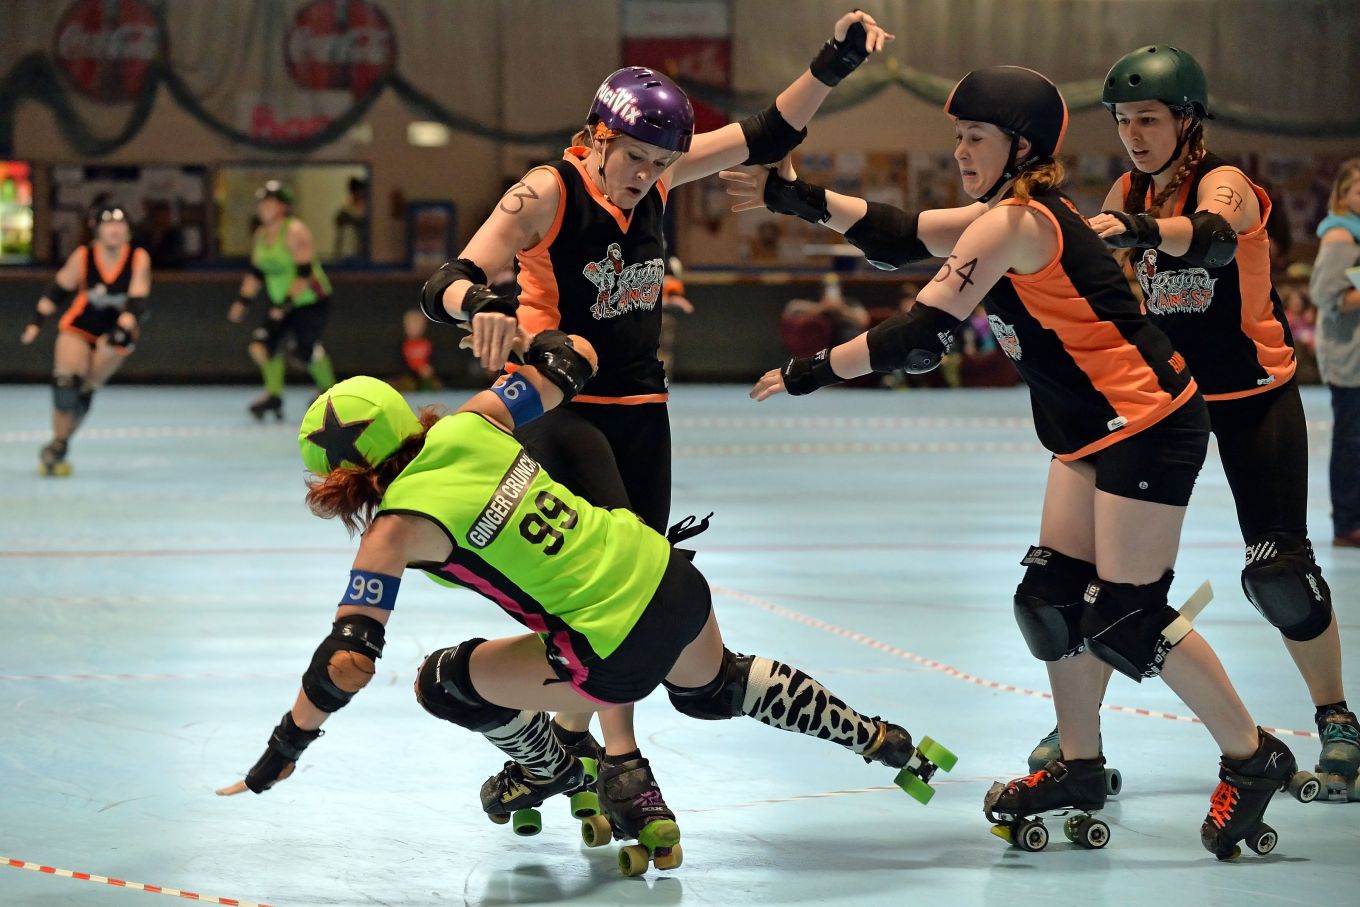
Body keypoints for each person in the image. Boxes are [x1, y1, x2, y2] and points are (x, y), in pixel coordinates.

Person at [727, 65, 1317, 855]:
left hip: (1147, 422)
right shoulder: (999, 217)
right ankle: (1080, 765)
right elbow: (900, 234)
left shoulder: (1018, 223)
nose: (960, 151)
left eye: (976, 137)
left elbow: (921, 337)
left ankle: (1252, 756)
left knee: (1129, 615)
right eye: (958, 136)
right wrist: (795, 197)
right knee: (1050, 599)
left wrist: (810, 369)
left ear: (1022, 147)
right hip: (1085, 429)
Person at [215, 339, 951, 874]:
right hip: (672, 579)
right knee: (716, 685)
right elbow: (574, 361)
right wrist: (507, 325)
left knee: (440, 682)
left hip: (609, 651)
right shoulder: (474, 419)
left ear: (333, 482)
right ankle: (880, 739)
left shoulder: (392, 531)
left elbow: (346, 664)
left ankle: (552, 767)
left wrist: (282, 751)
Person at [417, 10, 892, 781]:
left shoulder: (660, 176)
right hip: (560, 408)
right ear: (597, 137)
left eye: (659, 162)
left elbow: (767, 132)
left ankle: (568, 739)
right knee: (620, 580)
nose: (645, 174)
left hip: (642, 408)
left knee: (639, 581)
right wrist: (482, 308)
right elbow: (447, 280)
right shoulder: (546, 190)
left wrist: (833, 62)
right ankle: (622, 758)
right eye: (634, 157)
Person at [1066, 45, 1355, 803]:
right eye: (1124, 121)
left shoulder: (1223, 182)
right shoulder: (1128, 189)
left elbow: (1214, 236)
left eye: (1148, 119)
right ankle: (1076, 734)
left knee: (1280, 572)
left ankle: (1339, 722)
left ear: (1187, 121)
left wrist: (1135, 229)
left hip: (1255, 395)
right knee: (1113, 579)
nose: (1133, 135)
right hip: (1171, 406)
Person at [19, 203, 151, 476]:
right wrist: (36, 322)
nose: (114, 230)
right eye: (108, 225)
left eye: (120, 225)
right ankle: (58, 445)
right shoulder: (84, 256)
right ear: (97, 229)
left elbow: (138, 300)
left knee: (85, 390)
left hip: (117, 332)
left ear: (128, 230)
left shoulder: (138, 257)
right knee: (66, 385)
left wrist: (124, 325)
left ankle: (61, 442)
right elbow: (57, 291)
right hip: (79, 327)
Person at [227, 181, 336, 421]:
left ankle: (330, 394)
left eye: (269, 202)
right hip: (281, 302)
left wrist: (284, 303)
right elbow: (256, 273)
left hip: (309, 300)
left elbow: (305, 274)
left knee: (303, 351)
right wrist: (243, 301)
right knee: (261, 346)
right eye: (262, 202)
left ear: (283, 206)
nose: (263, 207)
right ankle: (274, 395)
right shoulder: (261, 235)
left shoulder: (296, 231)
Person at [1311, 158, 1360, 554]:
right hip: (1349, 355)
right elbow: (1325, 295)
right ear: (1343, 195)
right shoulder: (1341, 236)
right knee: (1351, 440)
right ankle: (1347, 522)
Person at [394, 308, 442, 391]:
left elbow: (434, 360)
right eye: (412, 324)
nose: (415, 327)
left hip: (427, 377)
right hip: (408, 377)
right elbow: (399, 364)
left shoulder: (428, 343)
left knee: (436, 385)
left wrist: (429, 370)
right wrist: (416, 371)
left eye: (418, 324)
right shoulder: (401, 344)